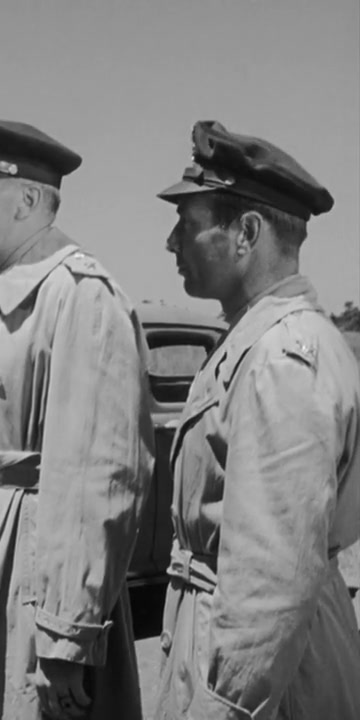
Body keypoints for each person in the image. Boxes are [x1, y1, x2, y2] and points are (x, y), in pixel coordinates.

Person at [0, 112, 154, 720]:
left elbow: (97, 481)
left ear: (28, 199)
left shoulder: (81, 297)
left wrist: (68, 635)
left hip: (22, 595)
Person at [153, 120, 360, 719]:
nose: (171, 242)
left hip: (267, 684)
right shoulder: (262, 342)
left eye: (187, 223)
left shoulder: (280, 360)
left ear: (246, 233)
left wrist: (222, 707)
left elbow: (272, 584)